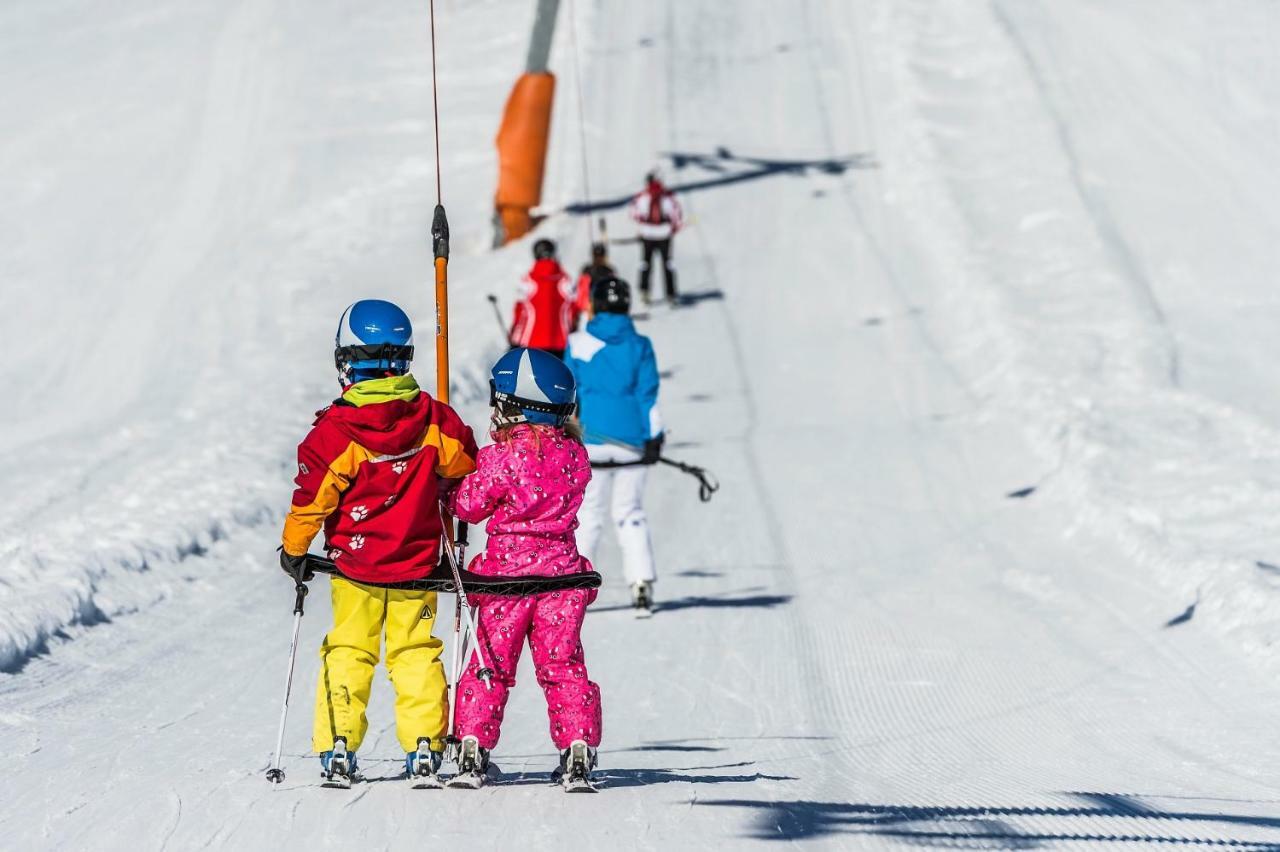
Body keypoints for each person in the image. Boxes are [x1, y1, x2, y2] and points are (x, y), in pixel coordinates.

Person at [278, 299, 478, 789]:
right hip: (418, 566)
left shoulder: (336, 432)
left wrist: (295, 549)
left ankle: (339, 744)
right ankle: (425, 743)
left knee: (349, 649)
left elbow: (312, 498)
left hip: (356, 568)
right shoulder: (434, 420)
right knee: (415, 653)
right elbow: (465, 467)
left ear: (346, 362)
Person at [447, 348, 602, 790]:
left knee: (489, 662)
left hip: (505, 583)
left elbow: (469, 506)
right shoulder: (575, 456)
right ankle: (576, 747)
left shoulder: (501, 459)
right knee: (562, 664)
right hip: (561, 581)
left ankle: (473, 744)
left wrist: (450, 489)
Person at [565, 276, 664, 616]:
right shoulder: (641, 345)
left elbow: (567, 393)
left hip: (591, 441)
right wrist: (655, 436)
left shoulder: (578, 343)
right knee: (630, 512)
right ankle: (641, 584)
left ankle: (574, 587)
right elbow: (648, 394)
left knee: (589, 515)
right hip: (632, 442)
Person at [509, 238, 576, 358]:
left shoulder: (528, 280)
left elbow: (520, 312)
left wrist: (514, 338)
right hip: (561, 343)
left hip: (531, 341)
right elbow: (573, 310)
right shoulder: (565, 280)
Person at [628, 171, 683, 305]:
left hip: (647, 235)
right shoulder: (667, 197)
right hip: (664, 235)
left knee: (645, 264)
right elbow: (676, 213)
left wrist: (643, 221)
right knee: (668, 264)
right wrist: (674, 226)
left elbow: (633, 213)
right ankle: (671, 293)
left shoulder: (642, 197)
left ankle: (644, 291)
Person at [573, 242, 615, 329]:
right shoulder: (609, 272)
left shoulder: (586, 270)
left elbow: (578, 294)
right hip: (604, 313)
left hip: (586, 311)